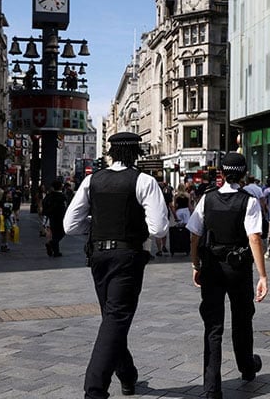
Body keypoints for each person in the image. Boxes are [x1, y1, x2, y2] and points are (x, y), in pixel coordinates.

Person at [63, 132, 168, 399]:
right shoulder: (144, 181)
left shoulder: (91, 180)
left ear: (111, 153)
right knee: (116, 318)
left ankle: (128, 375)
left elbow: (70, 225)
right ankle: (95, 389)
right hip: (128, 257)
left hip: (98, 256)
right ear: (136, 154)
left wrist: (97, 227)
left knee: (112, 318)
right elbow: (159, 228)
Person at [186, 152, 268, 399]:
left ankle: (212, 388)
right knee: (242, 319)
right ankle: (246, 367)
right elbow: (254, 238)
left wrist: (195, 264)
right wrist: (263, 276)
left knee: (213, 326)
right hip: (238, 268)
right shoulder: (249, 201)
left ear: (221, 171)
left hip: (211, 266)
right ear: (242, 173)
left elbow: (194, 234)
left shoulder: (206, 199)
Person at [42, 180, 67, 257]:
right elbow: (65, 207)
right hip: (60, 217)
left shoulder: (49, 195)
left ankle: (56, 251)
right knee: (62, 233)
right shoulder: (62, 196)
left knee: (54, 233)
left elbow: (44, 203)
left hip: (51, 217)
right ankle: (52, 244)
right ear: (60, 186)